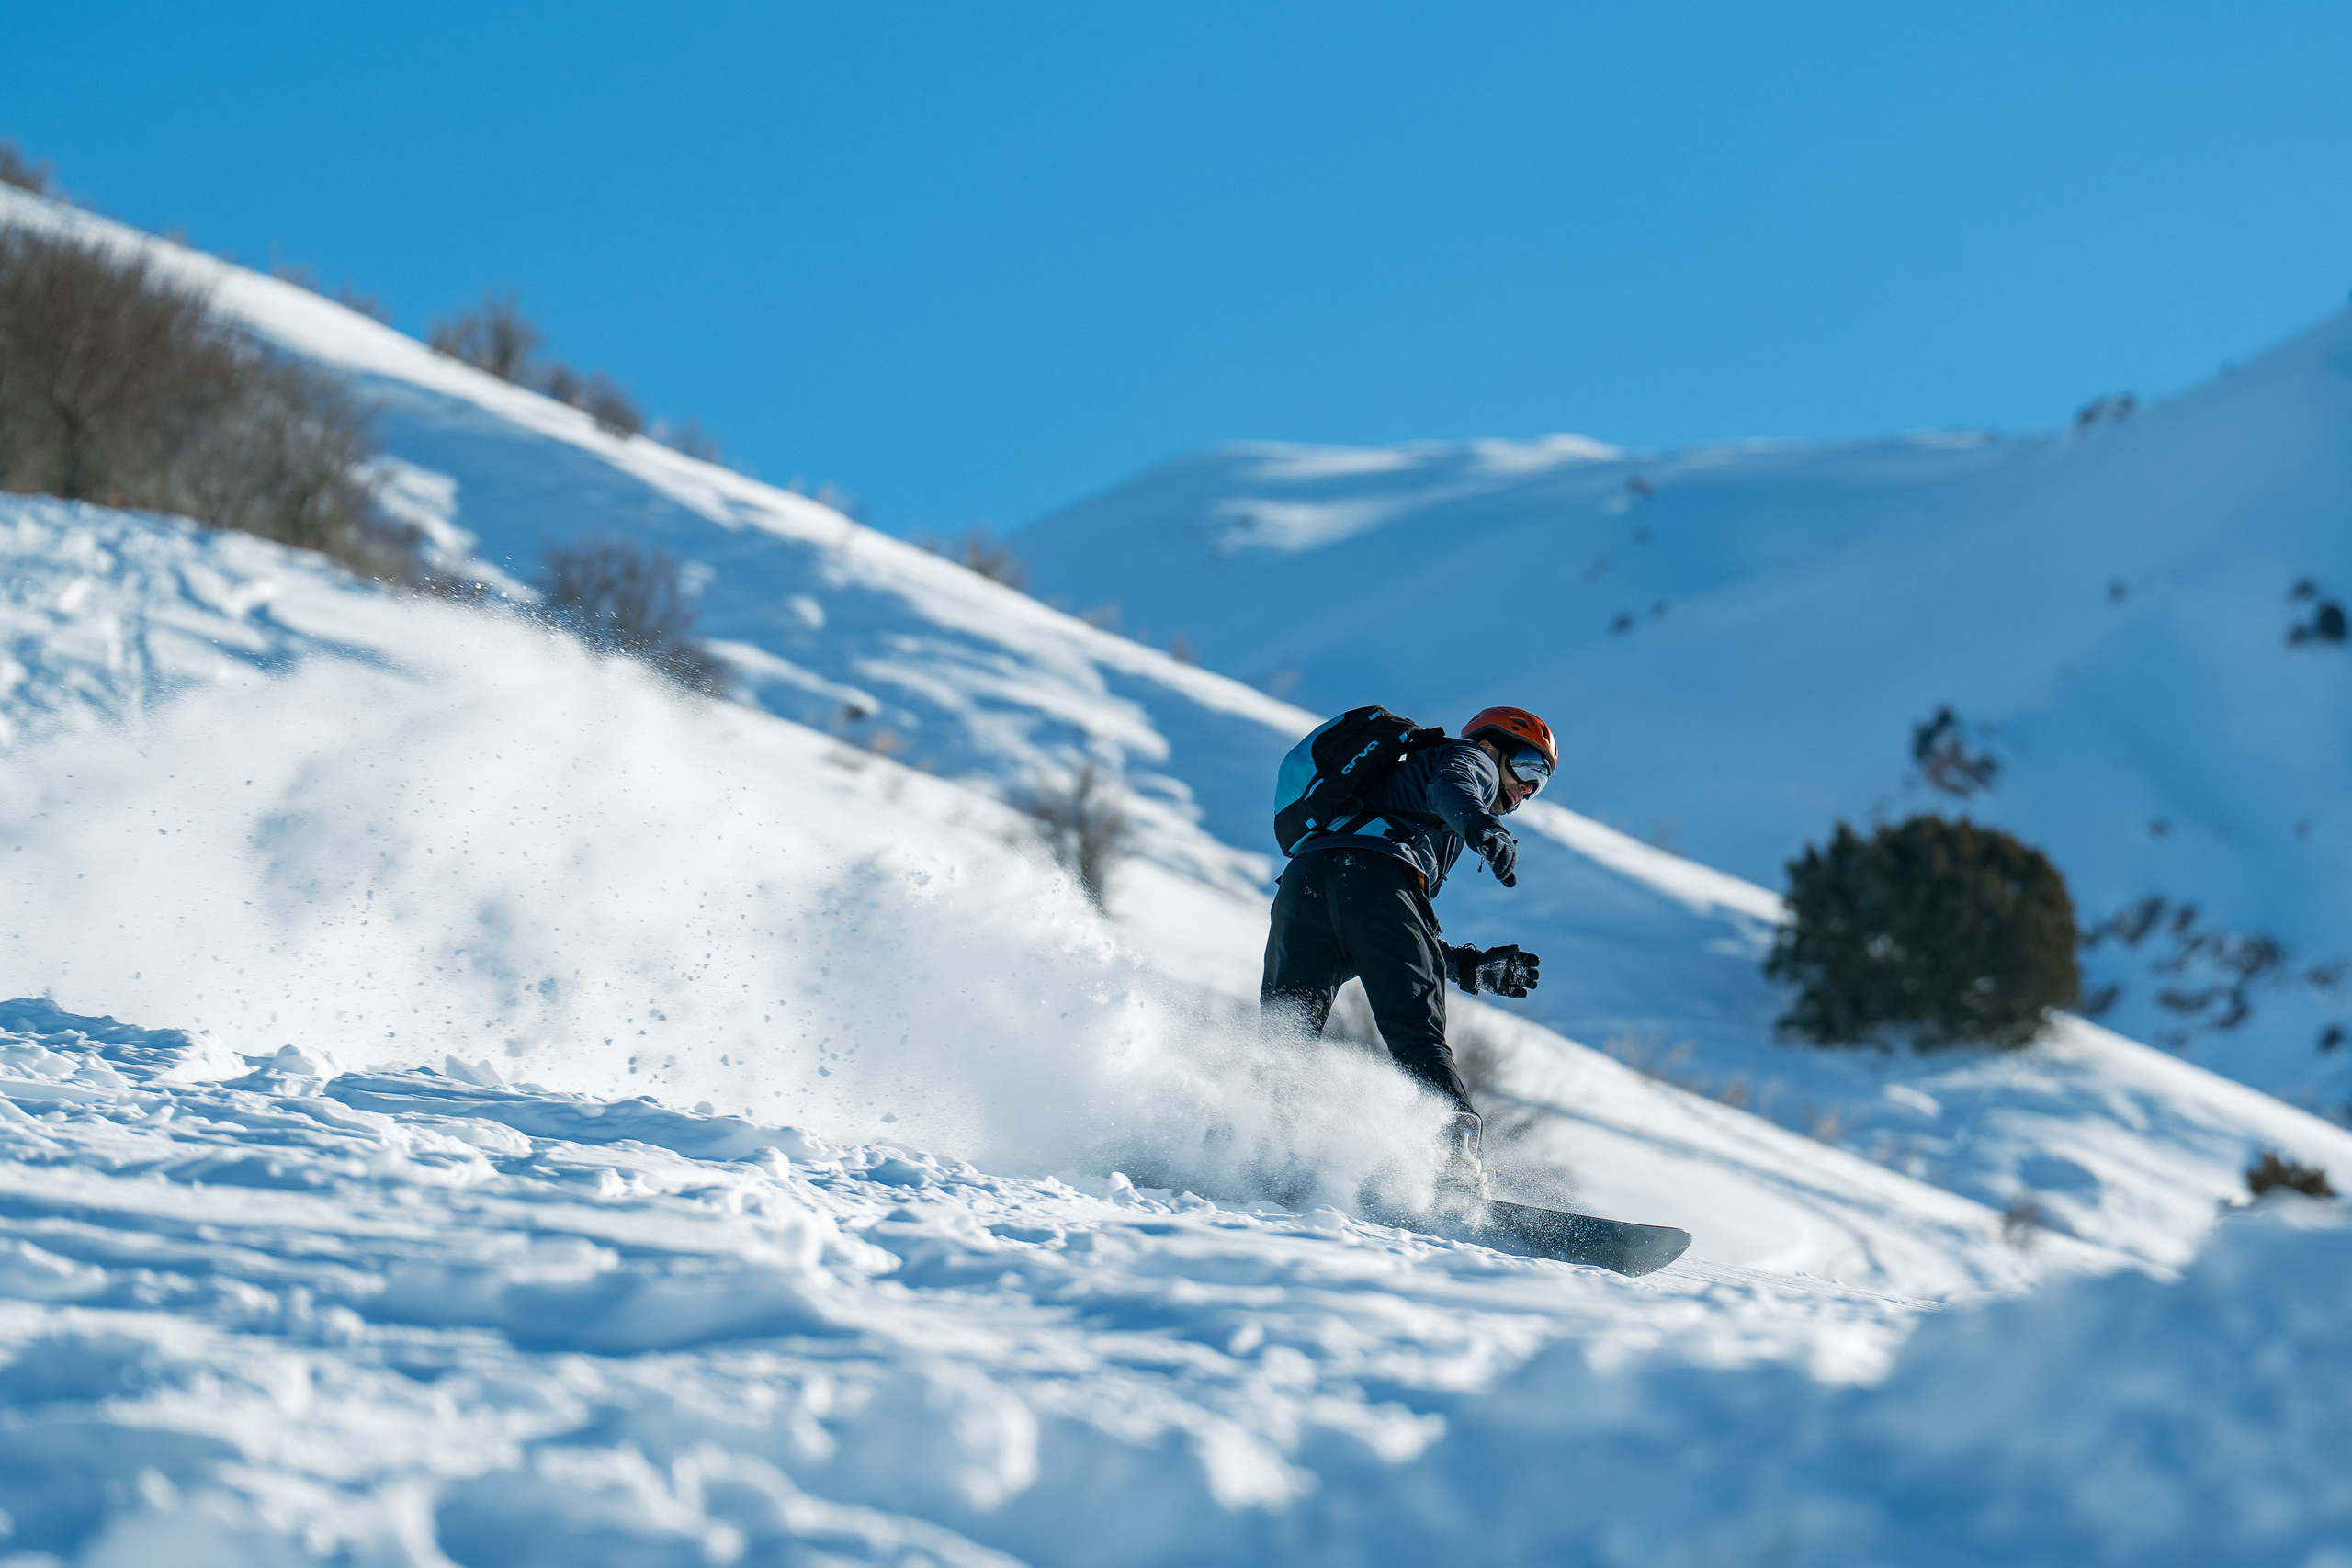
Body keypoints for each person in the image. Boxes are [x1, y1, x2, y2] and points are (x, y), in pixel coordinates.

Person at [1259, 705, 1553, 1198]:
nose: (1527, 787)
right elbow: (1454, 786)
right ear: (1493, 744)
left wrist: (1468, 966)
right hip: (1375, 876)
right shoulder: (1468, 760)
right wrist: (1484, 827)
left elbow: (1388, 937)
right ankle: (1454, 1165)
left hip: (1303, 886)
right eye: (1526, 765)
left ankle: (1259, 1147)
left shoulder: (1388, 784)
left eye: (1539, 781)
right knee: (1415, 1033)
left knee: (1285, 1035)